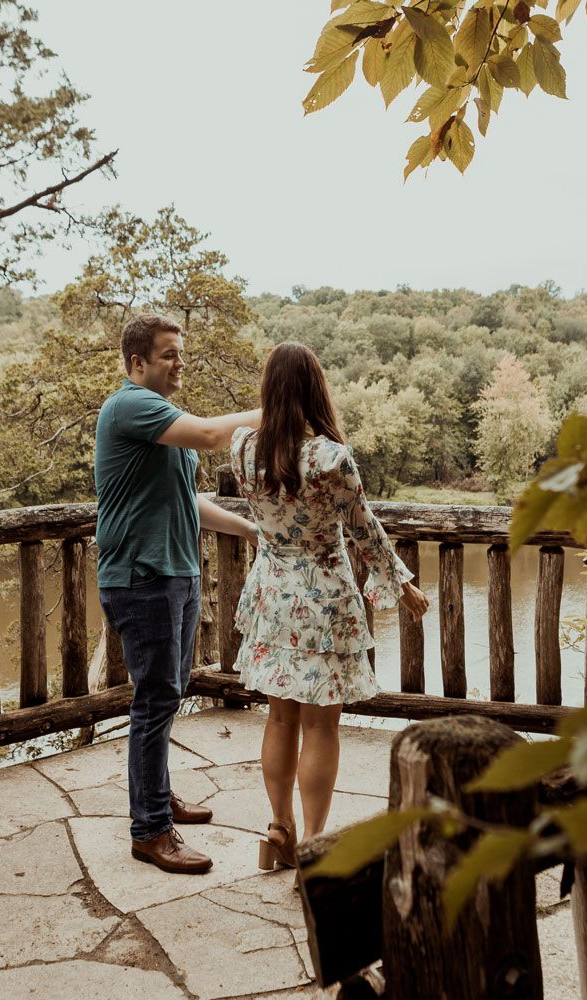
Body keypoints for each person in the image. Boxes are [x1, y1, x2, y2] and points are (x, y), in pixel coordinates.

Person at [227, 341, 429, 870]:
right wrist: (403, 588)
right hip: (323, 598)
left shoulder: (243, 449)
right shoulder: (329, 458)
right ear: (317, 390)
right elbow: (366, 533)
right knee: (320, 727)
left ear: (269, 391)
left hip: (271, 593)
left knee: (278, 720)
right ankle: (313, 846)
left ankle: (277, 830)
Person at [94, 313, 260, 875]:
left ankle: (157, 798)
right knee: (155, 700)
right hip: (142, 579)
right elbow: (216, 433)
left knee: (167, 691)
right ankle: (149, 831)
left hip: (176, 575)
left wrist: (249, 528)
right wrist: (287, 408)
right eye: (168, 354)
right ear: (138, 363)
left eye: (179, 353)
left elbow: (187, 500)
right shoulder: (129, 405)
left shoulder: (163, 425)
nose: (179, 362)